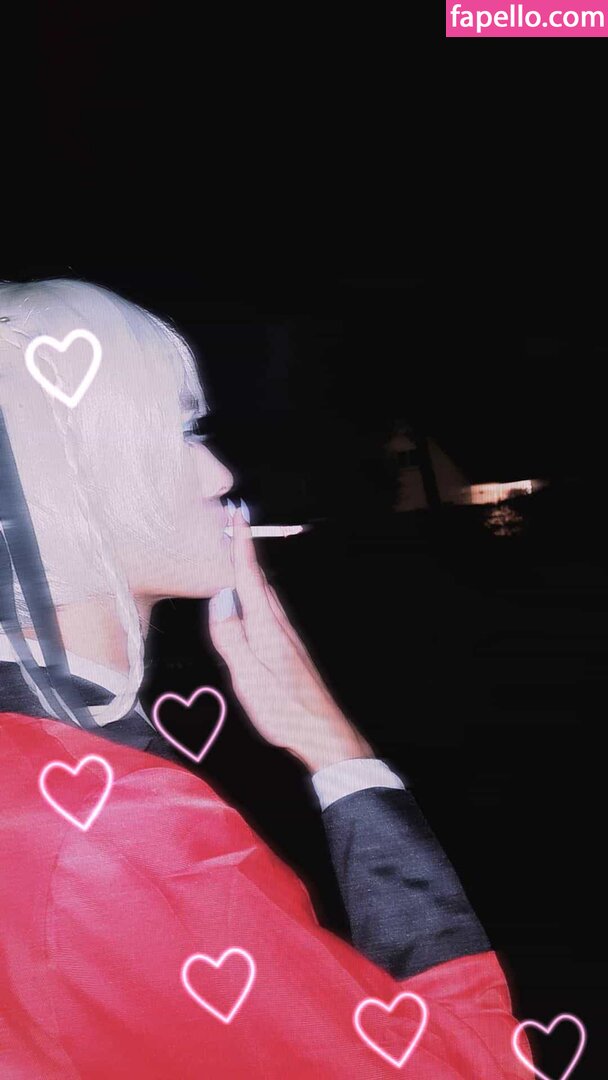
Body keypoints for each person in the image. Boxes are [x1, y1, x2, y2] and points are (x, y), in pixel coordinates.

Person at [0, 279, 532, 1078]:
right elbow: (468, 1067)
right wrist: (342, 756)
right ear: (59, 482)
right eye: (177, 432)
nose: (217, 475)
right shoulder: (118, 835)